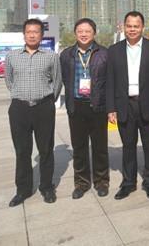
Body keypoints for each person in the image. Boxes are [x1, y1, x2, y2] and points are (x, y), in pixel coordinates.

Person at [4, 18, 62, 207]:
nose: (32, 35)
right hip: (19, 108)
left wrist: (47, 101)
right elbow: (9, 80)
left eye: (36, 32)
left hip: (43, 107)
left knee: (46, 150)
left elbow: (57, 82)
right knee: (22, 151)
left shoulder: (51, 56)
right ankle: (23, 190)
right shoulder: (12, 56)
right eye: (28, 32)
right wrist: (20, 95)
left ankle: (47, 187)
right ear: (24, 34)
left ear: (42, 35)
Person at [107, 11, 149, 200]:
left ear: (142, 27)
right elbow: (110, 80)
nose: (132, 29)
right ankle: (128, 183)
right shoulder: (114, 50)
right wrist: (111, 108)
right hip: (124, 105)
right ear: (124, 27)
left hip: (148, 104)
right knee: (128, 146)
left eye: (136, 26)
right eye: (129, 26)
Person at [60, 18, 109, 200]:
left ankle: (101, 181)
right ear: (75, 33)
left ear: (94, 33)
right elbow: (64, 78)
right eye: (80, 31)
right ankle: (81, 183)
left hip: (98, 105)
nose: (83, 34)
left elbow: (109, 81)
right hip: (76, 105)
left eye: (87, 31)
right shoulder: (66, 55)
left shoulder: (104, 54)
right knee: (79, 147)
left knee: (100, 147)